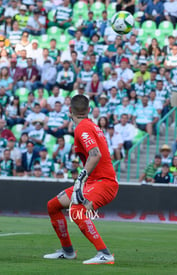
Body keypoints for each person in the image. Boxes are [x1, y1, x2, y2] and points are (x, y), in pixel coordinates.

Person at [43, 95, 118, 265]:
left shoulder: (82, 128)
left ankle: (104, 254)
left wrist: (81, 178)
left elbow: (95, 154)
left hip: (103, 183)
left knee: (76, 210)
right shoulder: (90, 125)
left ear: (70, 111)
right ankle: (68, 251)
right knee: (53, 205)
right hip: (95, 181)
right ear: (89, 110)